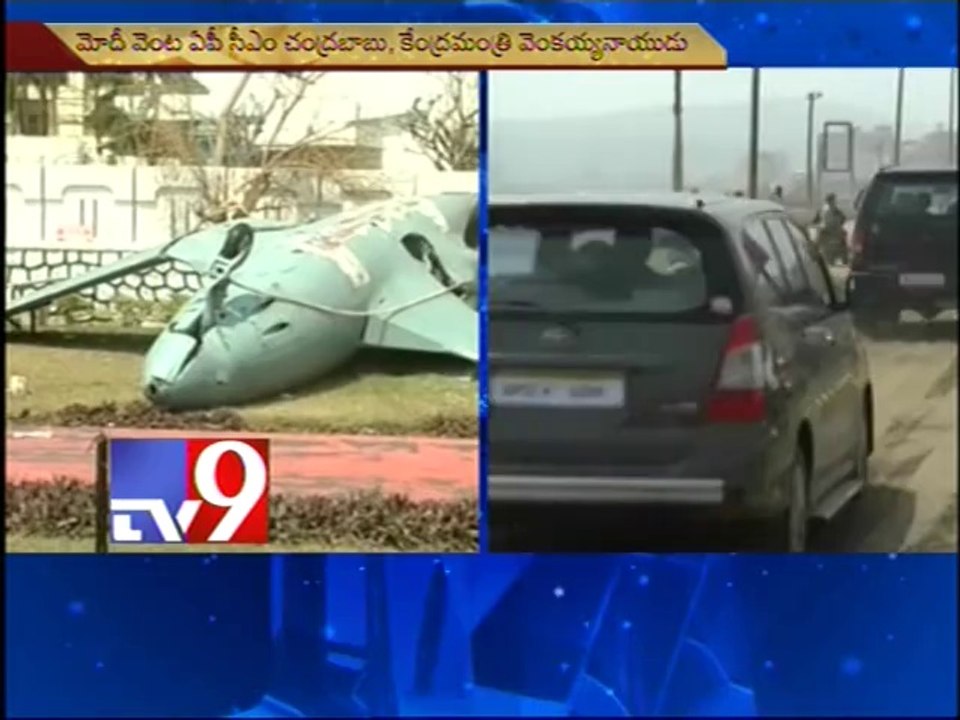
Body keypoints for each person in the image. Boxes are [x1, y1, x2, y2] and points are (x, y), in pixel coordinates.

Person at [816, 193, 847, 265]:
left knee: (831, 258)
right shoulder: (830, 210)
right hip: (831, 235)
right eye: (833, 200)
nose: (834, 202)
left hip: (831, 236)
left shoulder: (825, 209)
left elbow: (842, 219)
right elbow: (843, 219)